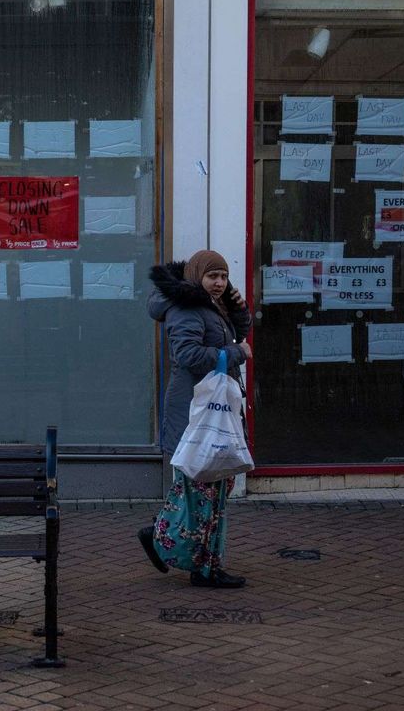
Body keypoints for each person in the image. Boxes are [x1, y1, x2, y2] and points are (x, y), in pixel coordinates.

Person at [137, 250, 252, 588]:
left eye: (223, 277)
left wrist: (237, 306)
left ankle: (189, 554)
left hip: (212, 411)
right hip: (195, 413)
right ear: (196, 277)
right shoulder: (186, 309)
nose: (218, 283)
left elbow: (233, 331)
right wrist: (235, 353)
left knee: (216, 488)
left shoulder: (211, 306)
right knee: (201, 492)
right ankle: (187, 556)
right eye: (212, 277)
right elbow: (187, 355)